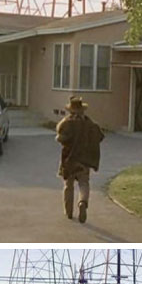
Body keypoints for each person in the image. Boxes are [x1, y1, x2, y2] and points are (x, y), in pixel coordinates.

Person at [56, 95, 104, 223]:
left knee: (68, 185)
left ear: (71, 110)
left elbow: (60, 138)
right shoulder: (90, 124)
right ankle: (82, 202)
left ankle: (69, 212)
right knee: (84, 183)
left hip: (69, 160)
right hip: (84, 160)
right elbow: (100, 136)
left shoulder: (66, 124)